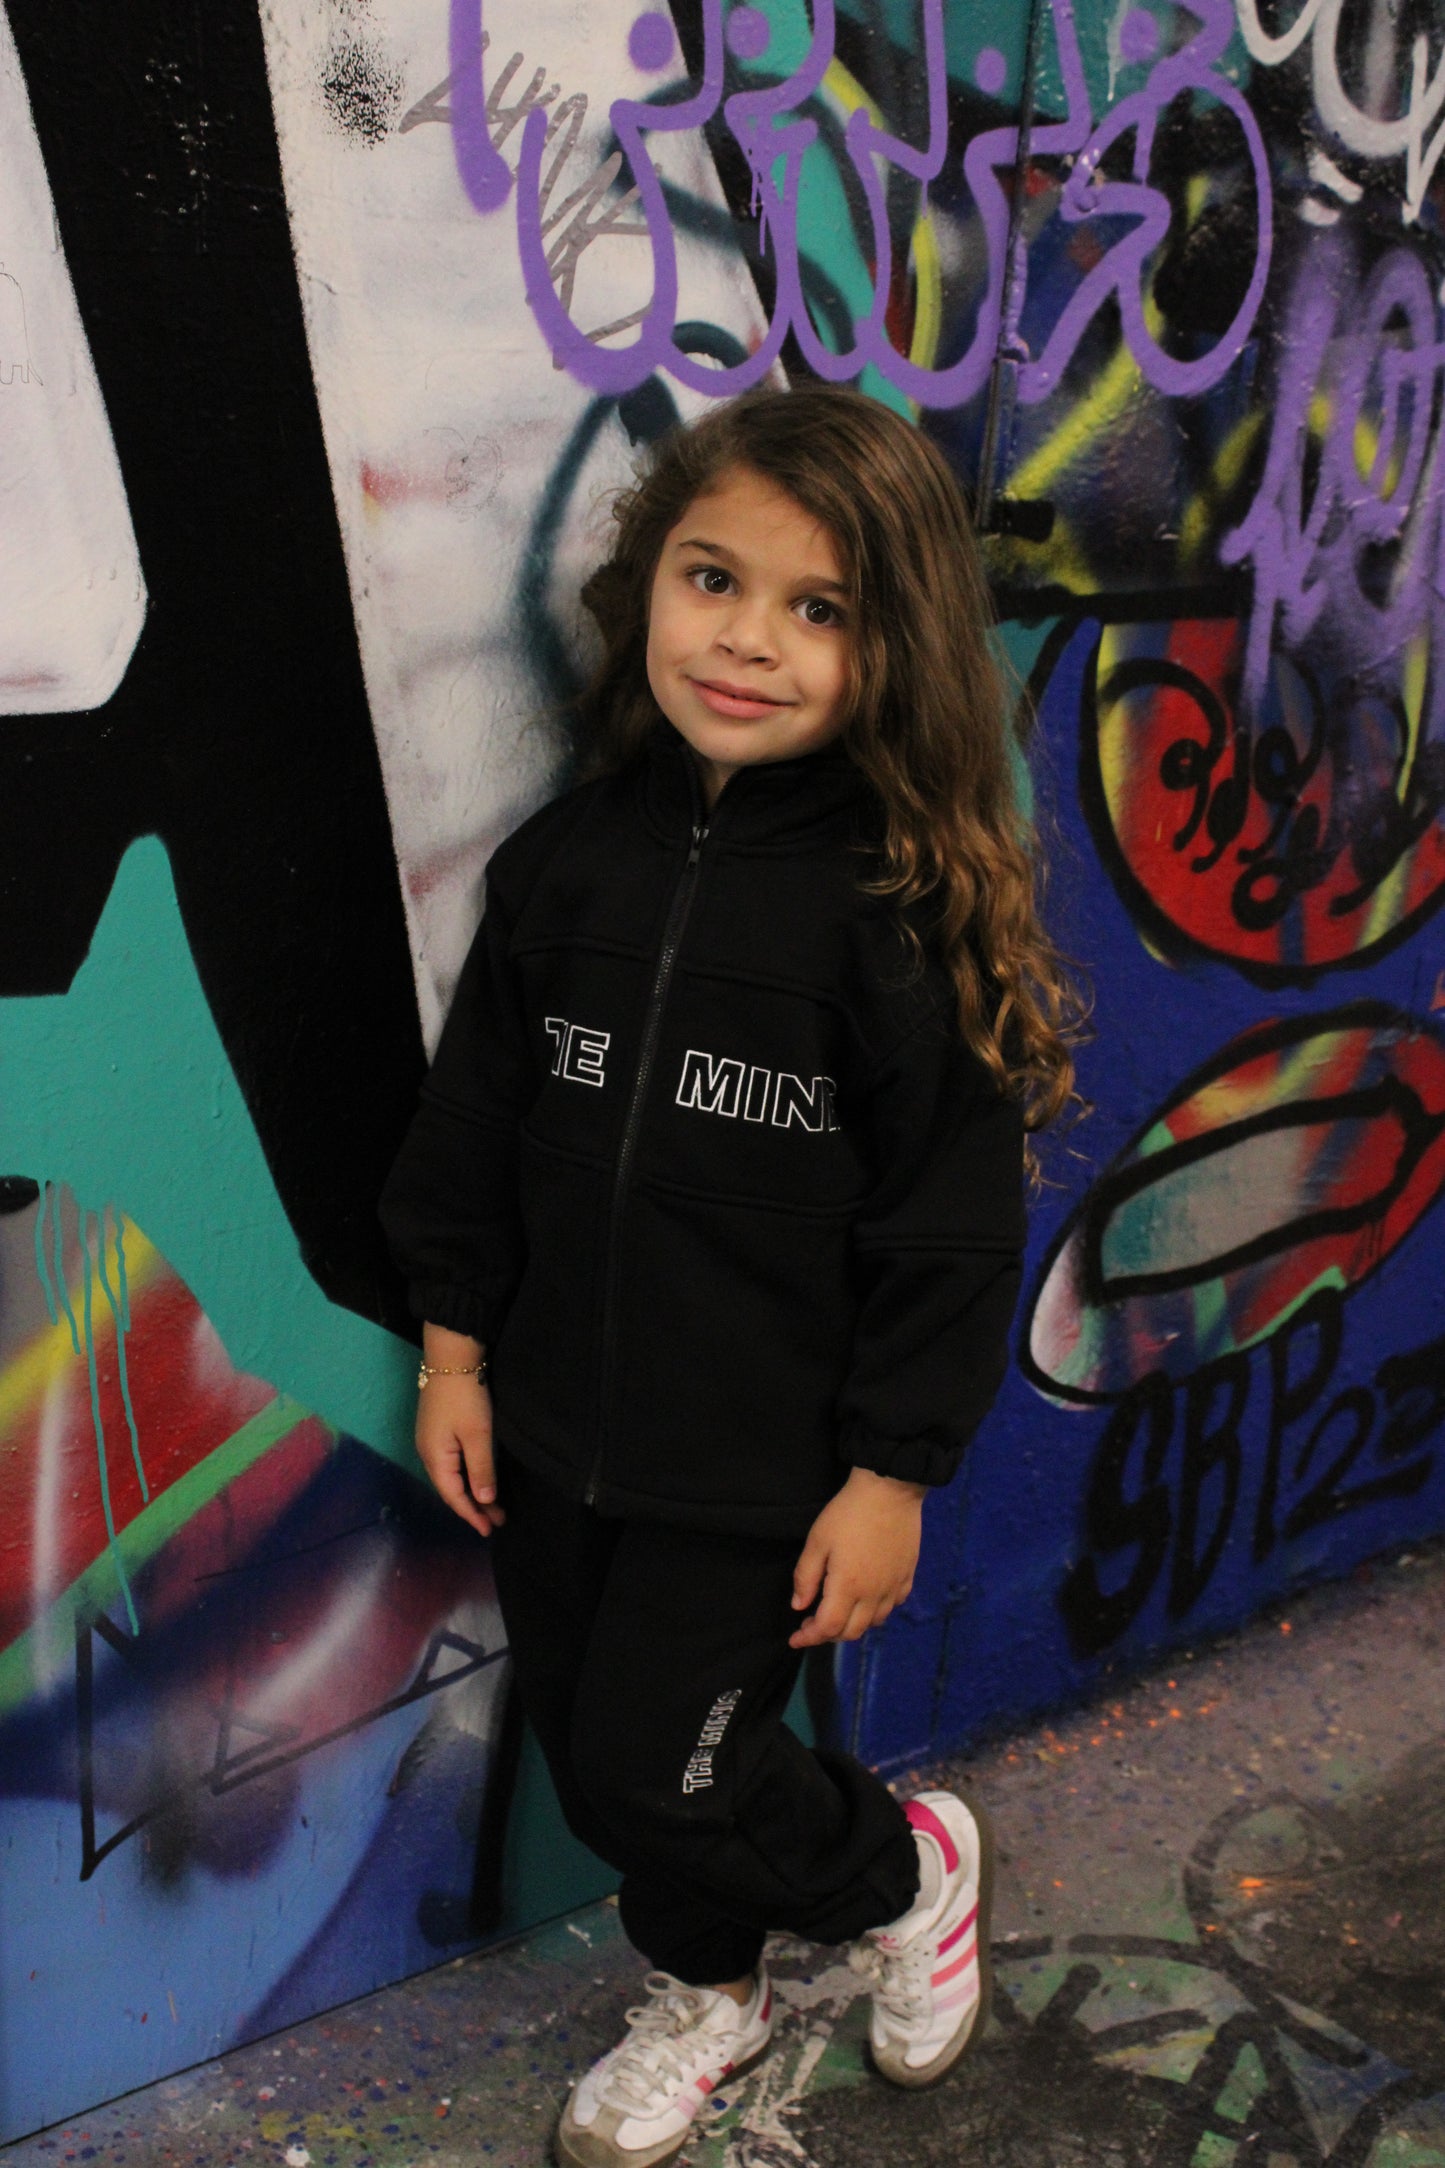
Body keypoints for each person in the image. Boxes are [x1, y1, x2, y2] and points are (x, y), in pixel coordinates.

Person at [380, 385, 1080, 2168]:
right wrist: (457, 1357)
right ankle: (711, 1989)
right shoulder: (570, 861)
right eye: (715, 579)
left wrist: (890, 1468)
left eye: (817, 609)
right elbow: (471, 1128)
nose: (749, 641)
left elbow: (946, 1222)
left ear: (888, 648)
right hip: (550, 1425)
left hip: (755, 1471)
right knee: (608, 1752)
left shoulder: (890, 910)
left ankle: (900, 1871)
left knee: (654, 1765)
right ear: (649, 590)